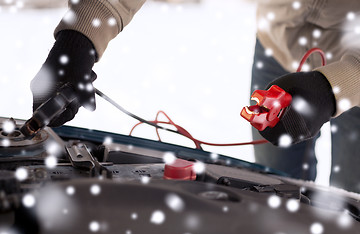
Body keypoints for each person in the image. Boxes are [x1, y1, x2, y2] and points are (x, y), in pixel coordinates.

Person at [30, 0, 359, 191]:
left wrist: (336, 86)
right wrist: (79, 39)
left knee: (351, 201)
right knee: (279, 188)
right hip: (277, 46)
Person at [251, 1, 360, 193]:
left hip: (353, 61)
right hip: (277, 45)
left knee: (351, 198)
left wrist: (331, 87)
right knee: (274, 184)